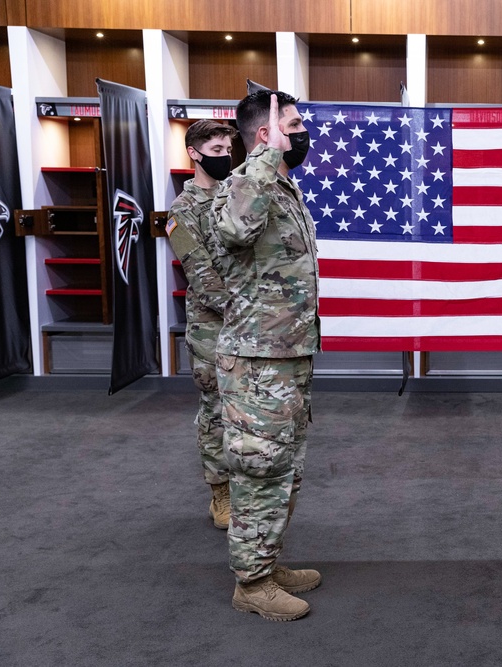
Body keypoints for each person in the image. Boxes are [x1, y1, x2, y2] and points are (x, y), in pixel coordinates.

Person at [211, 89, 320, 621]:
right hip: (256, 364)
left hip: (286, 358)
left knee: (285, 469)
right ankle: (251, 585)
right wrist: (263, 157)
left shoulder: (281, 190)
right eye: (293, 123)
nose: (302, 132)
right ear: (264, 133)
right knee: (259, 469)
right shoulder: (244, 185)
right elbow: (234, 230)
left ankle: (267, 563)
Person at [165, 120, 237, 530]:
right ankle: (219, 492)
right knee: (216, 409)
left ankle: (246, 488)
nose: (225, 154)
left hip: (249, 323)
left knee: (248, 408)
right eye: (216, 148)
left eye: (229, 147)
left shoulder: (238, 196)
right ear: (194, 153)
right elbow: (201, 274)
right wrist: (248, 308)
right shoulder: (183, 210)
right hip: (213, 326)